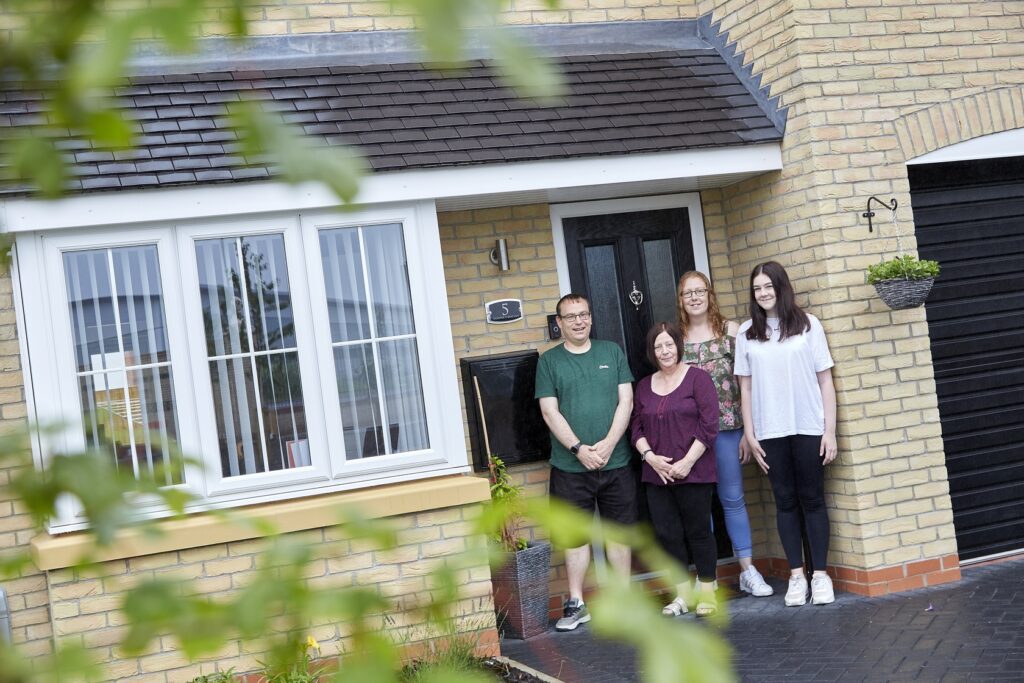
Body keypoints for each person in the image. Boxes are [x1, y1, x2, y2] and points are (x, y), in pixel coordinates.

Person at [734, 261, 838, 607]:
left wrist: (830, 431)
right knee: (785, 502)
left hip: (808, 426)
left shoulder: (809, 326)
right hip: (770, 432)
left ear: (781, 287)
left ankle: (820, 575)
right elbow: (745, 390)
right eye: (757, 289)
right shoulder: (747, 333)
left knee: (812, 499)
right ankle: (796, 575)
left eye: (768, 286)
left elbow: (826, 380)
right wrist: (749, 434)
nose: (763, 294)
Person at [535, 293, 635, 631]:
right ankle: (577, 602)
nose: (579, 321)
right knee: (574, 538)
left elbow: (626, 401)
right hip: (570, 466)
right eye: (571, 316)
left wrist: (608, 444)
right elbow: (549, 411)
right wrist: (579, 448)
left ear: (591, 317)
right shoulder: (549, 361)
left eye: (584, 314)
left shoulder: (611, 352)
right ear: (559, 322)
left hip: (616, 461)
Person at [677, 271, 774, 598]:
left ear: (709, 294)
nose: (694, 298)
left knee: (733, 500)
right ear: (680, 299)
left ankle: (748, 570)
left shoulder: (732, 331)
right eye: (687, 293)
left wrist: (750, 432)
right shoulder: (676, 339)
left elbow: (749, 383)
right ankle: (709, 578)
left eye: (699, 291)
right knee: (699, 507)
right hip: (690, 439)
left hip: (729, 429)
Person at [631, 321, 720, 617]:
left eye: (669, 344)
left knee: (698, 532)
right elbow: (636, 427)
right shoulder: (644, 386)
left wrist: (687, 462)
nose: (665, 351)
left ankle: (707, 591)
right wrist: (650, 457)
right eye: (658, 346)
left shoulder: (698, 379)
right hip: (656, 475)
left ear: (678, 346)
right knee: (667, 534)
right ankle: (682, 595)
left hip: (694, 471)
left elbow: (709, 426)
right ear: (651, 352)